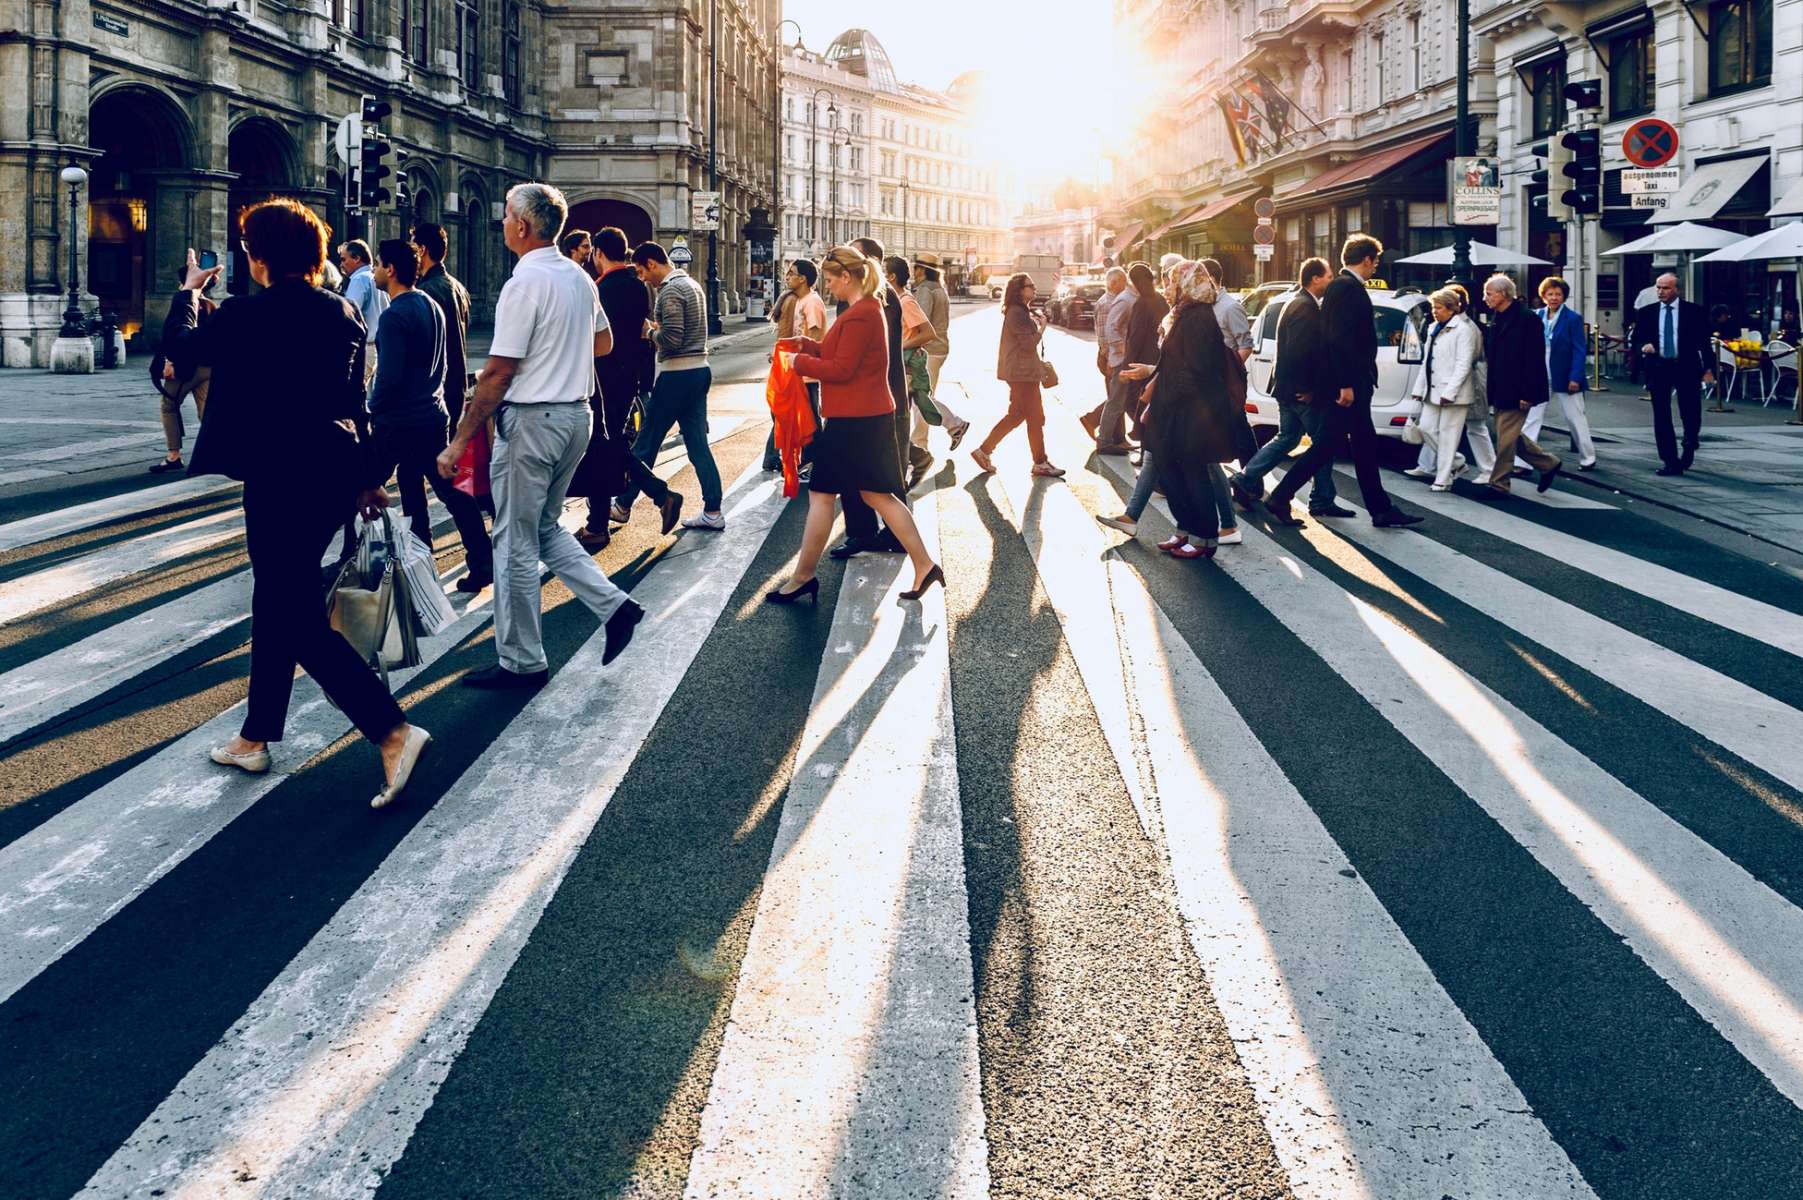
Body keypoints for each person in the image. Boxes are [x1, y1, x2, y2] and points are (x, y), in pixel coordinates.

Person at [162, 203, 430, 808]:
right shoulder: (344, 309)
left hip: (279, 476)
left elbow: (179, 345)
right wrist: (366, 478)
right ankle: (256, 735)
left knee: (295, 616)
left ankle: (391, 730)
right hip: (333, 471)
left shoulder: (246, 314)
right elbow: (354, 399)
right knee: (279, 597)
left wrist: (187, 291)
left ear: (259, 257)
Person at [436, 182, 645, 688]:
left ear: (522, 226)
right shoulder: (578, 278)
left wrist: (460, 439)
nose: (502, 221)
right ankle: (615, 606)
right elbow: (604, 343)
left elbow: (498, 372)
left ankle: (521, 660)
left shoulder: (523, 283)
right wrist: (559, 354)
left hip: (533, 422)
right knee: (545, 528)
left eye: (506, 215)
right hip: (575, 417)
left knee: (512, 542)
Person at [767, 244, 942, 604]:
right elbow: (839, 354)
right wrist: (804, 344)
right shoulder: (865, 309)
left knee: (821, 495)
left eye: (831, 279)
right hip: (864, 417)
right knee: (875, 494)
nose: (828, 286)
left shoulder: (863, 313)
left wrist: (800, 363)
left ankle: (802, 577)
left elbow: (842, 369)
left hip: (855, 420)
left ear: (847, 277)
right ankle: (925, 565)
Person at [1262, 235, 1421, 529]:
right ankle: (1282, 496)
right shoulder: (1347, 288)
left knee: (1358, 444)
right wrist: (1346, 384)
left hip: (1350, 382)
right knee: (1333, 445)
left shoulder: (1343, 287)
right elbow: (1340, 339)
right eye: (1375, 261)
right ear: (1367, 260)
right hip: (1350, 384)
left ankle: (1380, 508)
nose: (1376, 267)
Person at [366, 238, 493, 590]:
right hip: (432, 415)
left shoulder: (394, 316)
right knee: (445, 490)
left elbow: (389, 377)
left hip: (397, 421)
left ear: (390, 270)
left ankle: (356, 563)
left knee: (362, 486)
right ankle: (478, 559)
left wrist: (372, 407)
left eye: (377, 264)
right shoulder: (431, 305)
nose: (375, 270)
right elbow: (447, 359)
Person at [1116, 262, 1241, 559]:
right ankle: (1185, 529)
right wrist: (1151, 371)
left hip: (1189, 411)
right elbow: (1176, 362)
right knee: (1173, 472)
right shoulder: (1185, 313)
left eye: (1172, 280)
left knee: (1193, 474)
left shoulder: (1197, 317)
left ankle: (1203, 538)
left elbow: (1195, 369)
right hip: (1177, 407)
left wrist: (1169, 397)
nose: (1167, 286)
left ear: (1186, 283)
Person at [572, 227, 684, 549]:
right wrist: (642, 381)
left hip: (603, 381)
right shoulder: (639, 288)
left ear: (598, 254)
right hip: (629, 379)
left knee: (603, 448)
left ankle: (602, 523)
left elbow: (593, 339)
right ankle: (655, 497)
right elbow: (641, 337)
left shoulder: (600, 290)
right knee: (612, 446)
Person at [608, 241, 727, 531]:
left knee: (647, 441)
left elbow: (672, 339)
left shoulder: (671, 290)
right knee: (698, 445)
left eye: (641, 270)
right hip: (699, 370)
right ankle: (713, 511)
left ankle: (622, 505)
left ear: (651, 263)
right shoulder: (692, 285)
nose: (642, 277)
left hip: (677, 375)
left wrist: (648, 330)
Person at [1230, 257, 1346, 515]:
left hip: (1285, 386)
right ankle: (1322, 499)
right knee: (1322, 443)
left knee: (1288, 437)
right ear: (1315, 278)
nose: (1331, 280)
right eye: (1328, 276)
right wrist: (1309, 388)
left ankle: (1246, 476)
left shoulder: (1294, 301)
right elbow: (1299, 351)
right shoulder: (1306, 307)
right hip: (1300, 390)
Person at [829, 235, 913, 559]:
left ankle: (887, 535)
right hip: (871, 395)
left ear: (868, 262)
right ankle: (869, 533)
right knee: (864, 471)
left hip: (875, 397)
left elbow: (855, 352)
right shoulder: (865, 294)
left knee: (882, 472)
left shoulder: (877, 296)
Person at [1094, 262, 1170, 534]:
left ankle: (1124, 438)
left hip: (1142, 365)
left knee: (1126, 403)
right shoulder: (1158, 301)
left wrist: (1123, 361)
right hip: (1154, 365)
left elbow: (1134, 336)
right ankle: (1135, 513)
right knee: (1148, 432)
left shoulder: (1138, 303)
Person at [971, 273, 1064, 478]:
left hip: (1022, 372)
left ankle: (984, 451)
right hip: (1021, 374)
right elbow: (1028, 345)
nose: (1035, 289)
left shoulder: (1021, 311)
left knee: (1018, 415)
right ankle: (1040, 462)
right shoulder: (1017, 313)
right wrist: (1042, 328)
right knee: (1035, 417)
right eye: (1030, 286)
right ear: (1019, 290)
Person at [1481, 273, 1560, 497]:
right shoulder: (1498, 316)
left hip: (1518, 388)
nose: (1485, 298)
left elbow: (1533, 359)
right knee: (1509, 435)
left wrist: (1527, 393)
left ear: (1503, 294)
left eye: (1489, 293)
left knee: (1505, 440)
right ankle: (1548, 463)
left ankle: (1499, 483)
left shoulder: (1527, 319)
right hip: (1501, 386)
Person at [1632, 272, 1715, 475]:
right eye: (1658, 287)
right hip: (1659, 367)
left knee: (1690, 410)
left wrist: (1709, 371)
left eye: (1666, 288)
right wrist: (1644, 346)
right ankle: (1669, 460)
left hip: (1686, 366)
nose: (1660, 292)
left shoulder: (1694, 312)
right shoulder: (1647, 312)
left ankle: (1689, 442)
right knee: (1661, 414)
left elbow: (1705, 344)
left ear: (1677, 290)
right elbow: (1635, 340)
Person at [1407, 286, 1483, 491]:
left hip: (1454, 394)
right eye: (1433, 307)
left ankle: (1443, 478)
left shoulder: (1464, 330)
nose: (1434, 311)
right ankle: (1457, 462)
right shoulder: (1434, 328)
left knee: (1449, 435)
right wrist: (1418, 388)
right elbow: (1427, 363)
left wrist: (1450, 392)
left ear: (1451, 309)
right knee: (1426, 428)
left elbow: (1463, 364)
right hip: (1432, 390)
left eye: (1438, 307)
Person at [149, 256, 217, 474]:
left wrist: (169, 362)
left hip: (183, 369)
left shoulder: (183, 303)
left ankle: (174, 456)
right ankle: (213, 454)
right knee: (206, 412)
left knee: (168, 406)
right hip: (207, 368)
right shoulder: (211, 306)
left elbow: (174, 337)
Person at [907, 253, 971, 467]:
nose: (912, 273)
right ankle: (927, 439)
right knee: (922, 396)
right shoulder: (939, 288)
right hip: (940, 348)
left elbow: (920, 321)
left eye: (915, 268)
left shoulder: (925, 289)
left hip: (927, 349)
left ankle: (927, 440)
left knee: (921, 397)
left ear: (922, 270)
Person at [410, 221, 472, 438]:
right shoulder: (458, 287)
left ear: (422, 249)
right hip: (456, 385)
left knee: (417, 464)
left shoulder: (425, 291)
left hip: (433, 392)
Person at [885, 255, 941, 488]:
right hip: (896, 367)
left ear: (891, 277)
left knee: (895, 422)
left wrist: (898, 346)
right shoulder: (893, 298)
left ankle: (917, 459)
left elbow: (928, 333)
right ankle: (915, 459)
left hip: (904, 369)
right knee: (893, 423)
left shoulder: (905, 301)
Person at [1534, 276, 1596, 470]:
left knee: (1575, 418)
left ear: (1564, 297)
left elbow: (1579, 349)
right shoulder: (1537, 315)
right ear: (1543, 296)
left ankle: (1588, 458)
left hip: (1564, 373)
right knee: (1531, 417)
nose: (1554, 298)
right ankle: (1523, 461)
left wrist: (1575, 377)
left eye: (1558, 294)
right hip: (1540, 372)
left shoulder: (1572, 318)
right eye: (1550, 294)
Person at [1081, 267, 1136, 454]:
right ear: (1114, 283)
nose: (1126, 284)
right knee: (1117, 396)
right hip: (1110, 356)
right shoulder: (1108, 303)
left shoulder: (1114, 300)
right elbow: (1105, 336)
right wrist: (1108, 360)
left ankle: (1119, 438)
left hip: (1112, 355)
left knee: (1118, 395)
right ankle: (1092, 420)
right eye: (1123, 281)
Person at [338, 239, 387, 351]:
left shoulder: (359, 279)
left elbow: (349, 316)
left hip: (368, 347)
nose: (341, 264)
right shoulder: (378, 277)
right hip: (381, 345)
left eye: (343, 259)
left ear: (357, 258)